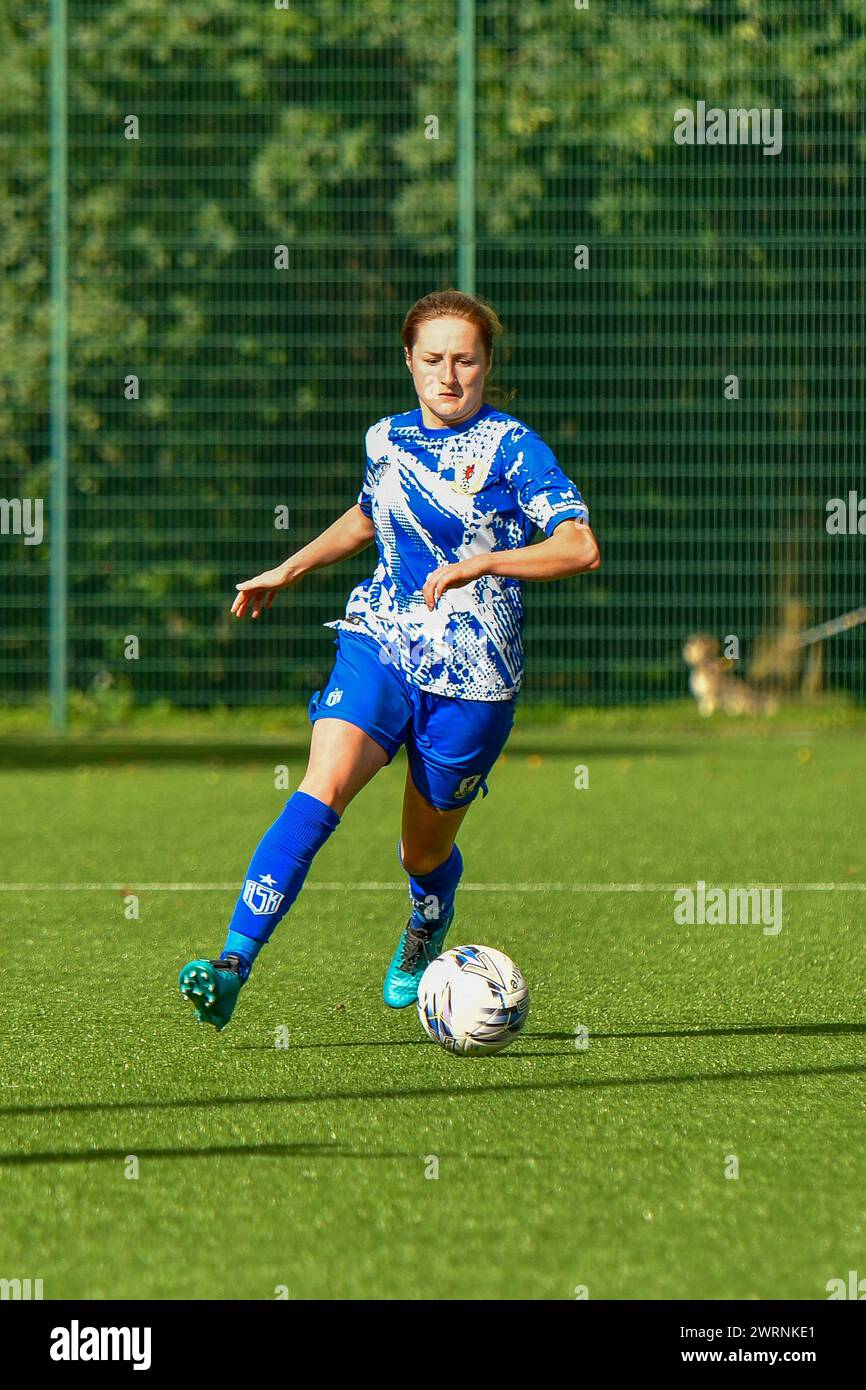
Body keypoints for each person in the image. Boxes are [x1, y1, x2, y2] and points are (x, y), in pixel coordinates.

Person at [179, 289, 600, 1030]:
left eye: (464, 360)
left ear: (485, 364)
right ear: (408, 360)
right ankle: (231, 966)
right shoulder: (386, 438)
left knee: (419, 852)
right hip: (383, 638)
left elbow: (579, 547)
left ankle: (427, 920)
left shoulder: (513, 448)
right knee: (322, 788)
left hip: (476, 673)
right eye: (432, 359)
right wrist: (291, 567)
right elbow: (371, 513)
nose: (448, 375)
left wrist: (486, 563)